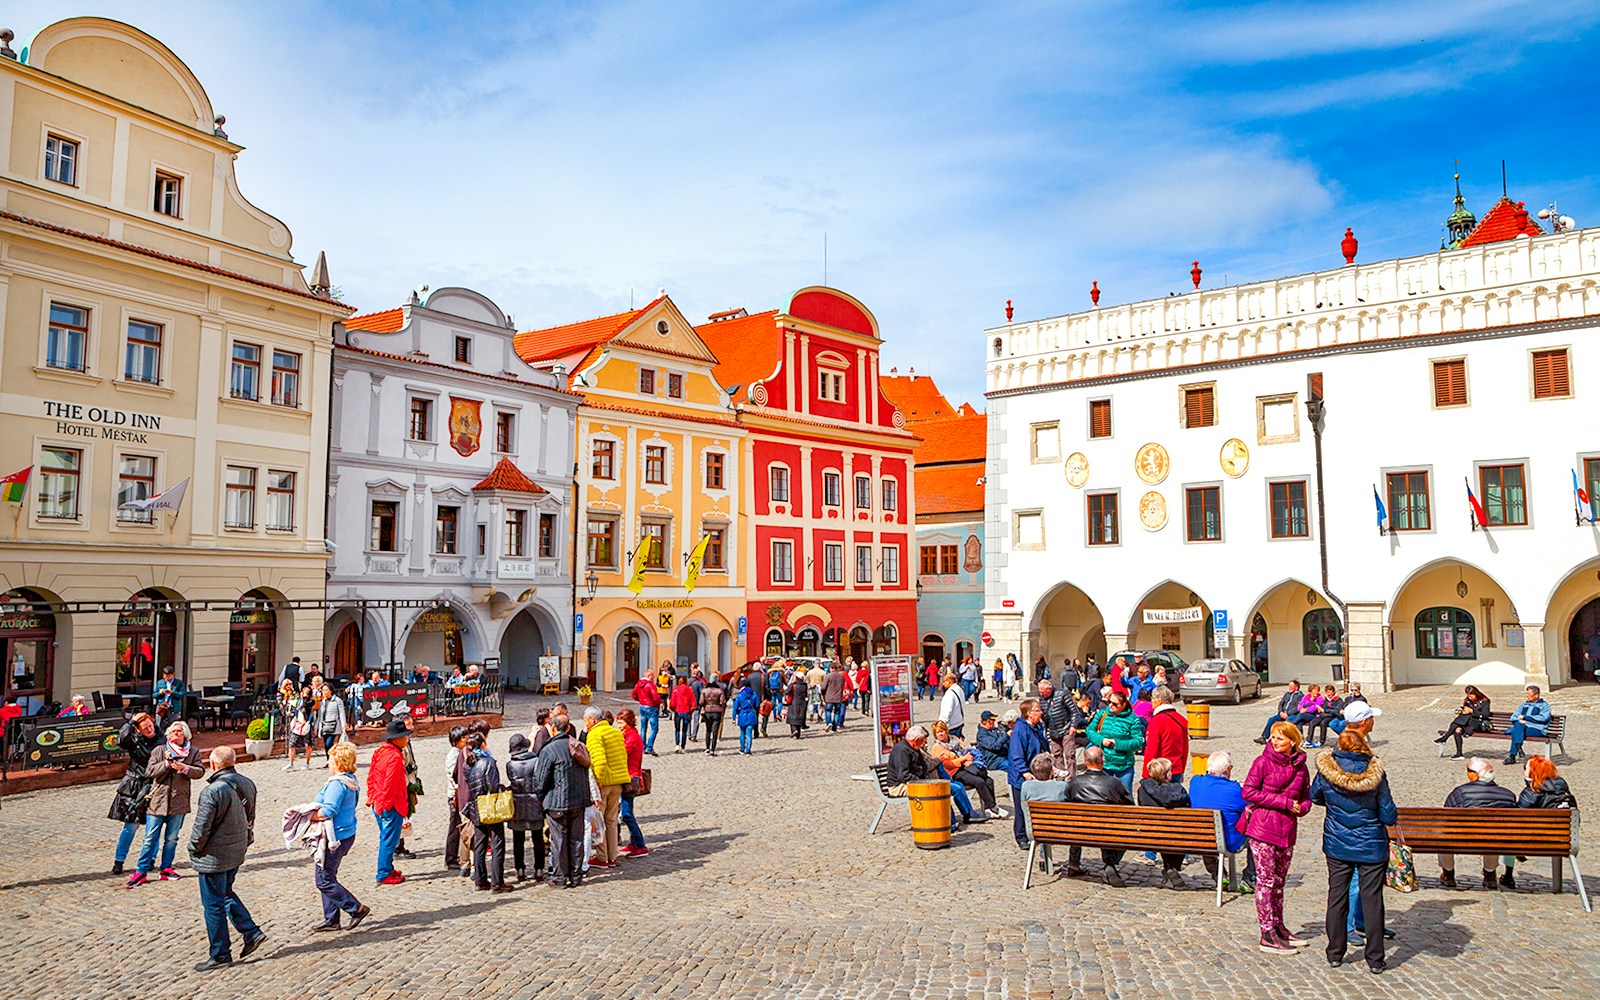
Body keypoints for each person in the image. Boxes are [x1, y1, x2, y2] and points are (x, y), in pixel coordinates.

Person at [1312, 729, 1397, 974]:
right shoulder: (1375, 772)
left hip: (1338, 842)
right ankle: (1375, 958)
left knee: (1337, 896)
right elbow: (1388, 814)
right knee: (1372, 900)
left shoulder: (1327, 771)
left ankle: (1335, 953)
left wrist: (1335, 804)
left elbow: (1314, 796)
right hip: (1370, 843)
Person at [187, 746, 265, 971]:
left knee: (213, 904)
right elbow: (250, 817)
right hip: (236, 850)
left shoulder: (212, 791)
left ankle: (220, 953)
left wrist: (193, 848)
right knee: (225, 893)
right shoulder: (247, 783)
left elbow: (202, 828)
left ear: (213, 764)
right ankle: (251, 932)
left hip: (214, 855)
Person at [1243, 720, 1312, 955]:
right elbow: (1248, 792)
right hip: (1263, 828)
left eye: (1280, 738)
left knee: (1280, 881)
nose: (1274, 742)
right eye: (1273, 737)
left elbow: (1306, 797)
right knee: (1266, 881)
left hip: (1287, 830)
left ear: (1292, 741)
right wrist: (1283, 802)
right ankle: (1266, 932)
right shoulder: (1262, 762)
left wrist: (1302, 808)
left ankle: (1278, 926)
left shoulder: (1301, 767)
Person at [128, 720, 203, 888]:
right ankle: (141, 871)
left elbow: (200, 772)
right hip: (158, 802)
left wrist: (184, 768)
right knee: (150, 838)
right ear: (168, 735)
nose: (176, 733)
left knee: (171, 839)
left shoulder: (193, 752)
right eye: (173, 731)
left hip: (179, 802)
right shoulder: (160, 750)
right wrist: (166, 764)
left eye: (179, 731)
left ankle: (166, 868)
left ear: (185, 735)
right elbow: (150, 771)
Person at [307, 740, 370, 929]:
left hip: (334, 836)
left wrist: (309, 816)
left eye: (331, 759)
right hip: (346, 833)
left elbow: (329, 810)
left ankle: (356, 908)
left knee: (324, 880)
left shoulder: (337, 784)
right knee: (329, 875)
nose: (329, 763)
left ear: (339, 762)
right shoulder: (350, 780)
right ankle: (331, 919)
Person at [1435, 756, 1517, 890]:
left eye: (1468, 770)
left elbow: (1446, 818)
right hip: (1495, 839)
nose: (1467, 772)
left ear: (1475, 775)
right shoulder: (1508, 795)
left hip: (1462, 838)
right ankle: (1490, 874)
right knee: (1494, 835)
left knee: (1445, 835)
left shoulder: (1460, 793)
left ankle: (1448, 873)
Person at [535, 716, 593, 888]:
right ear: (567, 728)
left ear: (553, 728)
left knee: (559, 840)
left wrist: (540, 797)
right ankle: (576, 875)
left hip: (557, 802)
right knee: (576, 839)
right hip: (578, 800)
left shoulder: (549, 749)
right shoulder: (578, 745)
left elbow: (540, 780)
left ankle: (560, 877)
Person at [1064, 745, 1134, 884]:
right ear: (1103, 761)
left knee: (1077, 820)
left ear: (1085, 761)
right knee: (1117, 827)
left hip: (1078, 829)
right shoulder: (1114, 783)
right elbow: (1130, 806)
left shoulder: (1074, 782)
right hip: (1106, 829)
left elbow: (1066, 802)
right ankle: (1109, 863)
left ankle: (1073, 864)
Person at [1189, 751, 1257, 893]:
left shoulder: (1195, 782)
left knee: (1207, 836)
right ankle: (1249, 878)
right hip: (1229, 842)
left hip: (1201, 839)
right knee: (1257, 835)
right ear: (1227, 770)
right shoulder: (1234, 790)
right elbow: (1251, 806)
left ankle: (1218, 875)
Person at [885, 725, 966, 831]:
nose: (925, 742)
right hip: (898, 786)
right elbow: (903, 775)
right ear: (916, 740)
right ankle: (944, 824)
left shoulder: (914, 748)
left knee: (940, 788)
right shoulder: (901, 751)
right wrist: (922, 783)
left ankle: (949, 822)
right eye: (923, 740)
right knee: (933, 791)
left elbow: (923, 766)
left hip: (912, 781)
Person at [109, 712, 160, 875]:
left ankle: (150, 859)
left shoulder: (161, 739)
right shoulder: (134, 740)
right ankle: (119, 860)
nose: (149, 730)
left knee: (153, 825)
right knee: (130, 826)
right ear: (138, 729)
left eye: (150, 726)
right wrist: (131, 722)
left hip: (153, 785)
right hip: (134, 785)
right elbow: (121, 739)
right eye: (145, 728)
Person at [462, 732, 512, 892]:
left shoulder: (467, 763)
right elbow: (492, 785)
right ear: (482, 744)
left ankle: (480, 880)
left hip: (475, 806)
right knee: (497, 843)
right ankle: (497, 882)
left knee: (480, 843)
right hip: (489, 806)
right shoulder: (488, 762)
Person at [367, 718, 411, 885]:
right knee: (389, 840)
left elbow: (372, 776)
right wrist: (386, 805)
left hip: (378, 801)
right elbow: (390, 784)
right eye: (405, 736)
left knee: (387, 838)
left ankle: (387, 867)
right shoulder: (394, 757)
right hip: (390, 804)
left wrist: (372, 797)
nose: (407, 739)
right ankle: (383, 873)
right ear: (397, 739)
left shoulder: (380, 752)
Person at [1137, 757, 1192, 889]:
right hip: (1175, 833)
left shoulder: (1143, 790)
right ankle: (1171, 867)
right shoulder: (1178, 790)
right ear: (1167, 774)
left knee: (1162, 832)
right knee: (1176, 833)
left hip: (1150, 833)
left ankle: (1169, 868)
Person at [585, 706, 629, 869]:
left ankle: (602, 857)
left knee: (599, 820)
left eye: (586, 720)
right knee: (611, 820)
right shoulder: (615, 732)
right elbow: (623, 756)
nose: (585, 724)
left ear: (592, 719)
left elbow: (599, 761)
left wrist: (598, 781)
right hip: (617, 781)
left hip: (604, 783)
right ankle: (612, 856)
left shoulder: (595, 734)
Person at [929, 720, 999, 819]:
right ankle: (992, 807)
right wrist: (963, 759)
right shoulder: (937, 747)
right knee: (979, 781)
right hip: (953, 773)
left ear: (946, 731)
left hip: (966, 767)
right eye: (937, 732)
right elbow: (947, 765)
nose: (940, 734)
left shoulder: (954, 739)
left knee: (988, 780)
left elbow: (966, 749)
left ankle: (989, 808)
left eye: (942, 731)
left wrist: (969, 759)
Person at [1006, 698, 1050, 848]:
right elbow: (1016, 754)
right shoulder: (1020, 730)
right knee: (1021, 808)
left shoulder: (1037, 727)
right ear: (1029, 714)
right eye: (1037, 710)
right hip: (1021, 775)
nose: (1041, 713)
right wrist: (1024, 771)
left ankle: (1035, 832)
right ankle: (1021, 836)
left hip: (1036, 772)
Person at [504, 732, 546, 881]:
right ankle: (539, 869)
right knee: (537, 838)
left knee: (518, 840)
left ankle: (520, 869)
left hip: (517, 803)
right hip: (535, 802)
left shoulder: (510, 765)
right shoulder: (536, 761)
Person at [1086, 689, 1144, 791]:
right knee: (1103, 793)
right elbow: (1090, 730)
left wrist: (1118, 744)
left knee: (1125, 794)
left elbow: (1138, 741)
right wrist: (1101, 740)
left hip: (1123, 764)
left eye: (1115, 704)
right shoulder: (1102, 714)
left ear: (1123, 705)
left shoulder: (1133, 719)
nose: (1111, 705)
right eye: (1109, 702)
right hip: (1104, 763)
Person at [1017, 753, 1070, 851]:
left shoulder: (1026, 786)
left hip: (1035, 829)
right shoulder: (1062, 786)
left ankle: (1042, 856)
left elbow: (1022, 805)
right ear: (1051, 772)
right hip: (1059, 829)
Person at [615, 710, 649, 856]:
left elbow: (621, 754)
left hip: (631, 778)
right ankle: (634, 842)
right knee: (628, 812)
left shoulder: (632, 738)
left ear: (628, 722)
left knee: (627, 814)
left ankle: (640, 844)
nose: (619, 726)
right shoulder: (630, 735)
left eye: (621, 723)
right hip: (631, 776)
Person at [1039, 679, 1085, 779]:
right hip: (1053, 730)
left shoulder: (1062, 694)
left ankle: (1071, 777)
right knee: (1056, 755)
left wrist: (1073, 726)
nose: (1041, 694)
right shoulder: (1042, 698)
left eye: (1043, 692)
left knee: (1069, 754)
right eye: (1040, 692)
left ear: (1049, 689)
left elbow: (1074, 711)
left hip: (1066, 728)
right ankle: (1061, 776)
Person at [1141, 686, 1188, 783]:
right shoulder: (1181, 719)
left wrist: (1146, 774)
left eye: (1153, 698)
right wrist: (1182, 770)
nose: (1151, 701)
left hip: (1160, 771)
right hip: (1176, 769)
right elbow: (1184, 749)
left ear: (1159, 701)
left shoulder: (1156, 721)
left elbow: (1152, 750)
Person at [1434, 685, 1492, 760]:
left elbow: (1485, 715)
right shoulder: (1468, 701)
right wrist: (1464, 711)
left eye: (1471, 696)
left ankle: (1445, 738)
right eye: (1468, 696)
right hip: (1467, 724)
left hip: (1480, 724)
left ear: (1476, 694)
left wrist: (1472, 711)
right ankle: (1459, 754)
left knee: (1460, 721)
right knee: (1457, 729)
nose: (1470, 698)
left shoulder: (1485, 702)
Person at [442, 725, 471, 876]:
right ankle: (451, 858)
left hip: (459, 795)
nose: (466, 740)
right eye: (464, 738)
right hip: (455, 796)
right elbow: (454, 777)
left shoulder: (461, 752)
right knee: (455, 827)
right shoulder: (453, 756)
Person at [1503, 685, 1552, 765]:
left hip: (1537, 729)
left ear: (1536, 695)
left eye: (1529, 694)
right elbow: (1513, 717)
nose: (1527, 696)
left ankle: (1513, 755)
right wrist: (1520, 720)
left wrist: (1526, 718)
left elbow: (1543, 718)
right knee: (1518, 727)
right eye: (1527, 694)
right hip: (1522, 728)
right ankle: (1518, 749)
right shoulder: (1524, 705)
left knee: (1516, 731)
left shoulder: (1544, 705)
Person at [1256, 679, 1309, 744]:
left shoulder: (1301, 696)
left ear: (1296, 687)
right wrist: (1280, 712)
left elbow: (1298, 707)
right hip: (1282, 713)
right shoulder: (1287, 694)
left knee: (1287, 721)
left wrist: (1287, 713)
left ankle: (1284, 739)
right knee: (1271, 719)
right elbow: (1281, 703)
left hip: (1292, 715)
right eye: (1289, 686)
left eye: (1291, 686)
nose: (1289, 687)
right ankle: (1264, 737)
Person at [631, 671, 662, 755]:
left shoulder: (638, 684)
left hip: (642, 706)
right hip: (651, 707)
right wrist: (658, 703)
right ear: (649, 676)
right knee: (654, 728)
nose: (654, 677)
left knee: (643, 728)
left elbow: (633, 695)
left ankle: (642, 747)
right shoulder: (650, 685)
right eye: (652, 676)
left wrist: (640, 700)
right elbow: (656, 697)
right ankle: (649, 747)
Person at [316, 684, 349, 762]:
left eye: (326, 690)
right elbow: (320, 715)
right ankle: (329, 760)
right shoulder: (322, 702)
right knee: (326, 745)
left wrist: (343, 725)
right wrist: (317, 726)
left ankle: (333, 759)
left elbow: (341, 713)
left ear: (330, 691)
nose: (325, 692)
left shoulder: (337, 700)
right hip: (325, 725)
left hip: (334, 725)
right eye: (323, 690)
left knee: (329, 743)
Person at [699, 676, 727, 755]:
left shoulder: (704, 691)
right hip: (717, 711)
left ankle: (707, 748)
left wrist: (705, 705)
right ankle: (713, 749)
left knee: (708, 730)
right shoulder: (719, 691)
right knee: (715, 731)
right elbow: (722, 702)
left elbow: (701, 701)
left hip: (707, 711)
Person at [669, 676, 697, 753]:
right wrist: (691, 711)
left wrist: (673, 709)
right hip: (686, 711)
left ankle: (677, 745)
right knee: (684, 730)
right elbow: (693, 703)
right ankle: (683, 746)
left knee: (677, 729)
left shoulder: (675, 690)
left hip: (678, 711)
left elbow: (672, 703)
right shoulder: (690, 690)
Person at [733, 681, 760, 755]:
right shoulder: (753, 694)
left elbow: (735, 707)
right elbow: (757, 705)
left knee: (742, 732)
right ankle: (748, 749)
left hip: (742, 714)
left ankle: (742, 748)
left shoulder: (740, 696)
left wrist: (735, 716)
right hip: (751, 714)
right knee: (749, 733)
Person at [938, 673, 966, 740]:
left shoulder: (950, 693)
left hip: (951, 725)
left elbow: (948, 710)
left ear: (949, 682)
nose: (943, 684)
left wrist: (942, 724)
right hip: (958, 722)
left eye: (944, 681)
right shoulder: (959, 689)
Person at [823, 662, 848, 731]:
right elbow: (843, 686)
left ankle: (829, 723)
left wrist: (823, 694)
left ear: (831, 668)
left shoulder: (828, 676)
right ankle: (834, 728)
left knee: (828, 711)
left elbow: (823, 687)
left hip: (829, 697)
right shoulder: (841, 676)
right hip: (838, 697)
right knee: (837, 712)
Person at [786, 668, 810, 739]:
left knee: (792, 718)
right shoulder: (805, 685)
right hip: (802, 703)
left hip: (793, 702)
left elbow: (787, 691)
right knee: (799, 718)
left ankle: (794, 730)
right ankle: (798, 734)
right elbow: (806, 694)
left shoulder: (793, 685)